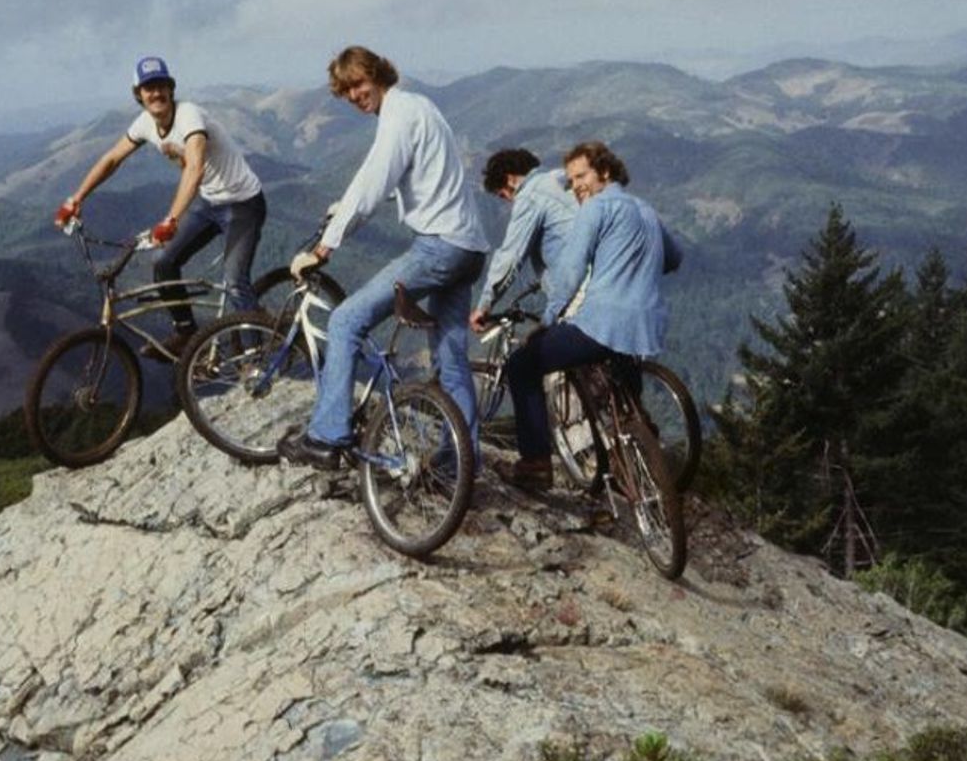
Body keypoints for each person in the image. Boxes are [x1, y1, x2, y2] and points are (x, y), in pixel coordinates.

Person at [277, 45, 491, 468]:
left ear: (378, 75)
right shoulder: (420, 106)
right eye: (346, 91)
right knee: (451, 361)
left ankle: (326, 437)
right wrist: (344, 206)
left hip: (439, 247)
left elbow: (374, 180)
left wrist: (325, 246)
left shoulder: (398, 115)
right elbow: (414, 174)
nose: (355, 95)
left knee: (344, 321)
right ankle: (462, 464)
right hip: (470, 248)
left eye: (358, 83)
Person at [498, 140, 683, 492]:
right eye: (570, 181)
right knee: (617, 378)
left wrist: (548, 320)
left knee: (522, 366)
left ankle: (536, 463)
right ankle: (637, 437)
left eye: (581, 176)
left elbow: (569, 272)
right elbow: (674, 258)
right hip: (646, 326)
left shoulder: (595, 210)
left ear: (606, 171)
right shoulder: (645, 210)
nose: (576, 186)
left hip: (602, 323)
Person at [59, 56, 267, 359]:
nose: (155, 93)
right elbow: (112, 160)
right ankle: (186, 335)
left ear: (171, 89)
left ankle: (255, 358)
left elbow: (194, 167)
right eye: (148, 88)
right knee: (164, 263)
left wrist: (171, 219)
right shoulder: (145, 123)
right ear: (138, 95)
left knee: (235, 281)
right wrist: (75, 199)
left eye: (160, 86)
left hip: (243, 204)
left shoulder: (189, 116)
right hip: (210, 204)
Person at [469, 147, 579, 332]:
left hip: (580, 293)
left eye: (503, 195)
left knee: (539, 355)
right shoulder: (562, 181)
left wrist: (484, 305)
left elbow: (511, 257)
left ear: (511, 179)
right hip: (615, 280)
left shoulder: (530, 196)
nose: (508, 202)